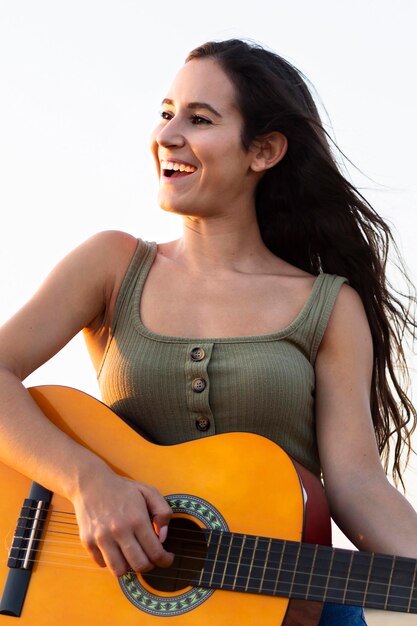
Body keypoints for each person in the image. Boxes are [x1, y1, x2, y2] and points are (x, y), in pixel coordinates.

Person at [0, 38, 416, 625]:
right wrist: (87, 481)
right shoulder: (112, 266)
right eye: (167, 112)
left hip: (296, 609)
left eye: (199, 119)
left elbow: (356, 484)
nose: (166, 136)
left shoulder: (328, 305)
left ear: (264, 151)